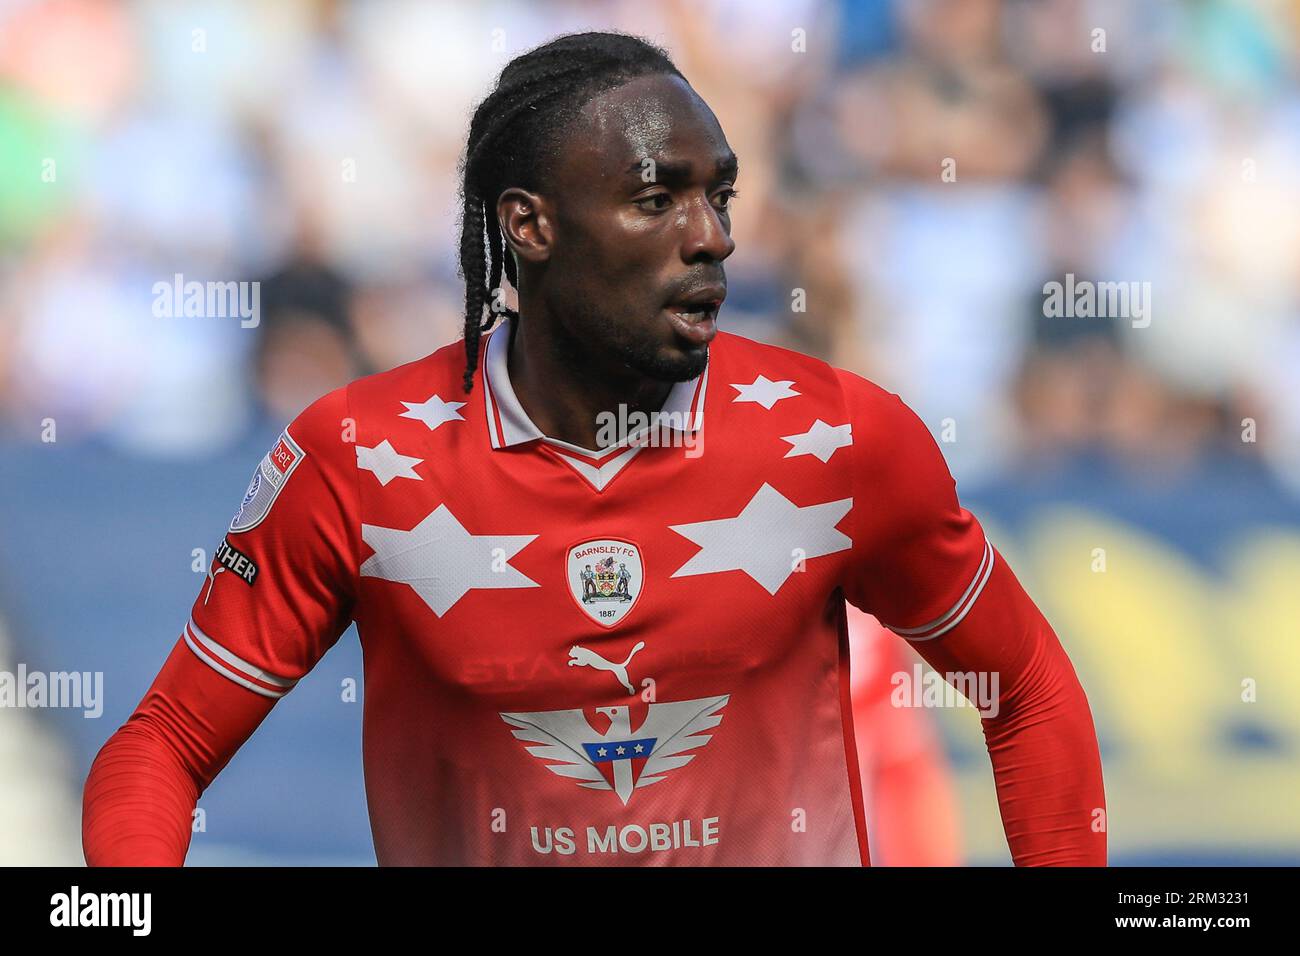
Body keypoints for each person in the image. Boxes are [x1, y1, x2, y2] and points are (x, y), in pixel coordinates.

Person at [82, 31, 1105, 866]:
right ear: (529, 224)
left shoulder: (837, 437)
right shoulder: (359, 458)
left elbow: (1026, 687)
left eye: (721, 195)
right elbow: (162, 745)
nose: (711, 237)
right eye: (658, 199)